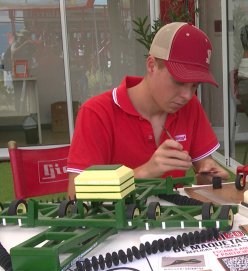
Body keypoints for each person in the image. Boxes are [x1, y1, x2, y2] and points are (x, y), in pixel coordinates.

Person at [67, 22, 229, 198]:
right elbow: (75, 195)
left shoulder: (191, 107)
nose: (187, 95)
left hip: (177, 221)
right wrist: (145, 172)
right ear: (151, 65)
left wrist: (209, 174)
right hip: (117, 223)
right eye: (179, 82)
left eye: (195, 85)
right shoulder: (97, 113)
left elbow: (203, 163)